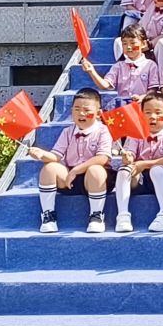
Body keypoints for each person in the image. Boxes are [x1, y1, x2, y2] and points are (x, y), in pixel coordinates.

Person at [27, 87, 113, 234]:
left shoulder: (103, 130)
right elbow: (56, 156)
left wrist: (77, 170)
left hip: (95, 178)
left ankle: (96, 215)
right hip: (70, 179)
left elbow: (102, 158)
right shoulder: (68, 131)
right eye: (77, 109)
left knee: (96, 170)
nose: (81, 114)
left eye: (86, 110)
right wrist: (41, 154)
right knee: (49, 168)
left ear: (99, 114)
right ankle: (48, 215)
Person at [114, 92, 163, 233]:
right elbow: (132, 155)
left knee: (157, 169)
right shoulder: (136, 135)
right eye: (148, 112)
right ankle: (123, 215)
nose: (152, 116)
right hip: (142, 178)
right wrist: (128, 158)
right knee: (124, 170)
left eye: (158, 113)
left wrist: (144, 164)